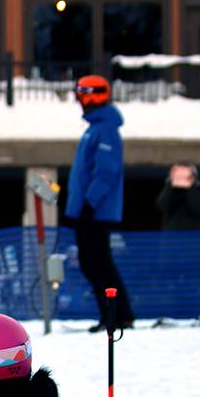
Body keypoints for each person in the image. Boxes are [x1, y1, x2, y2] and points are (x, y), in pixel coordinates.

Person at [65, 75, 135, 331]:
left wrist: (89, 204)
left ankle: (118, 315)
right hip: (89, 211)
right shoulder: (94, 129)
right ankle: (111, 315)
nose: (80, 102)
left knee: (99, 263)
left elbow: (106, 171)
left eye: (83, 95)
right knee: (91, 263)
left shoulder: (105, 130)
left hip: (96, 212)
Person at [156, 163, 200, 231]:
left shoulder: (195, 192)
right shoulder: (170, 191)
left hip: (191, 236)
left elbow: (198, 209)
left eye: (186, 176)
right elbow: (161, 205)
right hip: (171, 236)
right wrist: (171, 184)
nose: (182, 178)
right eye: (179, 176)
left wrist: (190, 185)